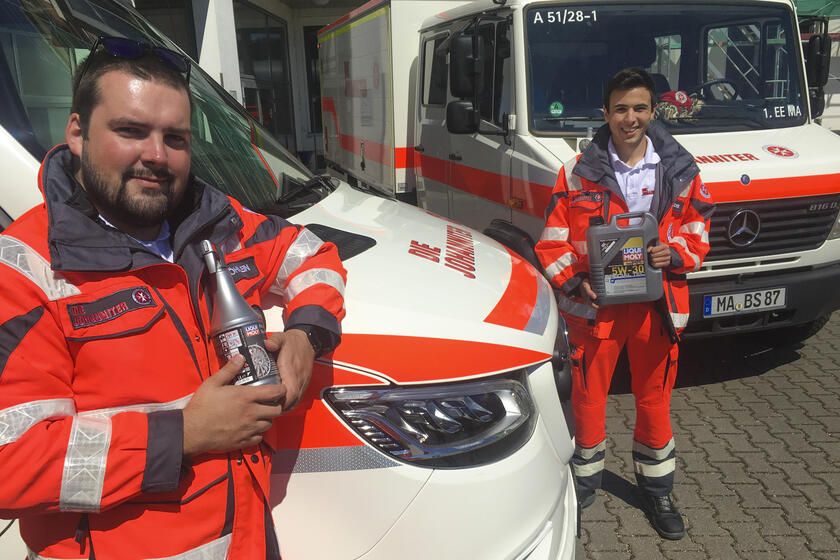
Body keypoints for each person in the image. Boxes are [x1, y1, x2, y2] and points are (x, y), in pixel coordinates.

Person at [0, 37, 346, 559]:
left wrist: (306, 335)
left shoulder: (216, 222)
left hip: (249, 538)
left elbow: (311, 254)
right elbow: (11, 465)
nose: (156, 156)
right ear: (77, 133)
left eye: (175, 138)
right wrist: (181, 435)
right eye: (131, 131)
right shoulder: (25, 270)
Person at [535, 67, 714, 540]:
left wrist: (672, 253)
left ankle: (657, 491)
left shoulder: (681, 171)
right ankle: (584, 483)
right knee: (588, 399)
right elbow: (551, 242)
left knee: (655, 402)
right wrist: (575, 281)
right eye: (620, 108)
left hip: (656, 307)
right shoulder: (575, 173)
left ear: (653, 111)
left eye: (639, 108)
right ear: (606, 113)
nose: (629, 118)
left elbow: (698, 234)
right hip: (595, 309)